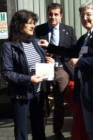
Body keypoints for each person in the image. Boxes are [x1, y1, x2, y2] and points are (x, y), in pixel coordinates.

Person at [38, 1, 93, 140]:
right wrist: (50, 46)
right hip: (87, 96)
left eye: (88, 14)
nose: (85, 18)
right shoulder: (84, 39)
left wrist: (81, 62)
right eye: (82, 15)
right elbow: (71, 51)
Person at [1, 10, 54, 140]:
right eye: (29, 23)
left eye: (34, 23)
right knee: (21, 130)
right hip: (21, 93)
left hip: (38, 92)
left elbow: (40, 66)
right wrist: (29, 79)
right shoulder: (9, 46)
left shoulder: (36, 42)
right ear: (19, 25)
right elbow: (6, 72)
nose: (33, 26)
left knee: (38, 128)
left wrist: (50, 63)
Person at [35, 3, 77, 140]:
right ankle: (40, 132)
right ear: (47, 15)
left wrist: (57, 56)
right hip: (43, 69)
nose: (53, 17)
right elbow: (34, 49)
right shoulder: (38, 29)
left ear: (61, 16)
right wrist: (45, 58)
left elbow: (73, 51)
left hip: (61, 70)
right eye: (50, 14)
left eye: (56, 14)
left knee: (59, 102)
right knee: (41, 101)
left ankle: (57, 131)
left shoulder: (69, 30)